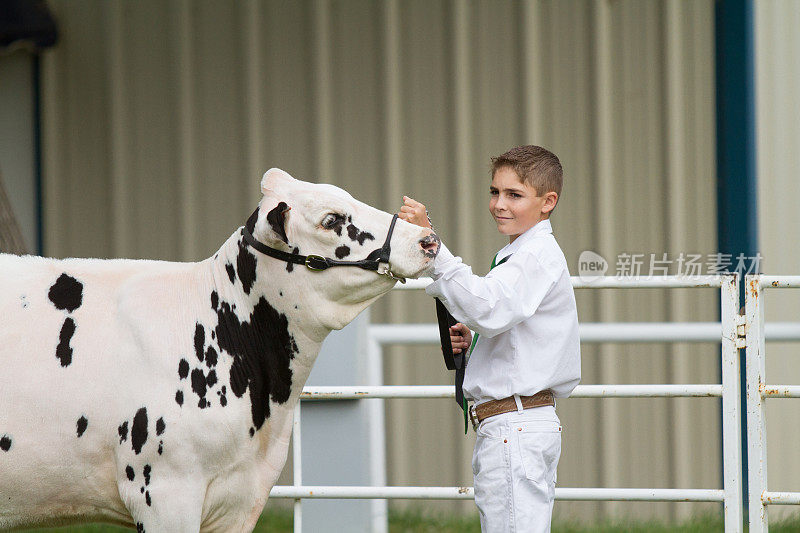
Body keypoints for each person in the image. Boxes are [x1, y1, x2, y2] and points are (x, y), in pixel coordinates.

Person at [398, 145, 580, 532]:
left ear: (548, 202)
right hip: (516, 424)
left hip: (515, 425)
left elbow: (491, 309)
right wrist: (477, 339)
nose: (500, 203)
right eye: (494, 192)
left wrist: (431, 245)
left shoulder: (533, 255)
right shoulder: (523, 252)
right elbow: (504, 321)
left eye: (514, 195)